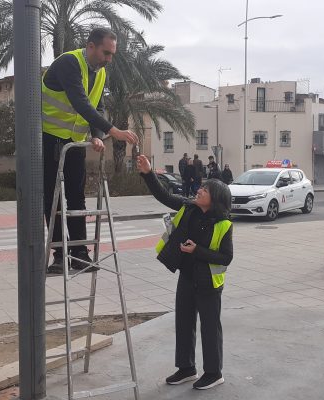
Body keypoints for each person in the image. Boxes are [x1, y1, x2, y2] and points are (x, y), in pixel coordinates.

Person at [42, 27, 138, 274]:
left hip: (74, 141)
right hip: (49, 138)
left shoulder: (101, 72)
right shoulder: (69, 63)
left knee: (76, 198)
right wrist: (113, 131)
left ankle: (80, 254)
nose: (108, 59)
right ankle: (59, 255)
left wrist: (96, 135)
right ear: (91, 46)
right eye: (106, 52)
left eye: (112, 54)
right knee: (52, 200)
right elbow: (80, 101)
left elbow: (98, 106)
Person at [136, 154, 233, 390]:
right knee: (183, 322)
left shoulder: (223, 224)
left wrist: (197, 250)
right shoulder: (189, 208)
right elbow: (164, 195)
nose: (199, 190)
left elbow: (226, 257)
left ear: (215, 199)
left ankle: (213, 372)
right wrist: (149, 173)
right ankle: (186, 368)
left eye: (205, 190)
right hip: (187, 277)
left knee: (210, 328)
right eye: (201, 187)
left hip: (209, 284)